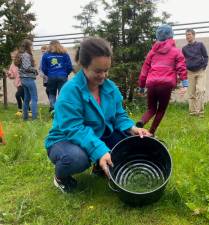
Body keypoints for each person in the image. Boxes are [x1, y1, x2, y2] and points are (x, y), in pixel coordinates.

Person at [45, 37, 151, 193]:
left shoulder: (110, 87)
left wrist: (132, 128)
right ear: (84, 66)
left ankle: (99, 168)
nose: (103, 75)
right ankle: (61, 177)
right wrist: (100, 150)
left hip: (98, 135)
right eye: (98, 71)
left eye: (106, 70)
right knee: (77, 159)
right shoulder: (70, 91)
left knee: (130, 143)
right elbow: (74, 129)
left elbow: (119, 115)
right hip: (65, 139)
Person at [136, 24, 188, 136]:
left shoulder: (152, 52)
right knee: (161, 109)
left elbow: (144, 70)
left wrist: (141, 87)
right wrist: (185, 83)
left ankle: (141, 122)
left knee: (151, 109)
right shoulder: (176, 51)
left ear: (157, 36)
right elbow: (181, 67)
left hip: (151, 84)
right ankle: (151, 132)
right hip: (165, 85)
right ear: (171, 36)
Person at [182, 28, 209, 117]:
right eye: (186, 35)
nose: (187, 36)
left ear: (194, 35)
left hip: (201, 71)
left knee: (200, 91)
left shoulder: (200, 45)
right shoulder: (184, 49)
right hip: (190, 72)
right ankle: (193, 112)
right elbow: (182, 60)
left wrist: (204, 66)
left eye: (189, 34)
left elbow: (205, 56)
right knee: (191, 93)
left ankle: (200, 112)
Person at [41, 40, 73, 113]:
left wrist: (48, 73)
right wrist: (65, 73)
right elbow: (69, 67)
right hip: (62, 76)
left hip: (51, 76)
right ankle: (62, 110)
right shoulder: (65, 54)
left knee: (52, 93)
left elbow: (43, 68)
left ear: (50, 46)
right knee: (62, 93)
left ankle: (54, 109)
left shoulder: (46, 55)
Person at [15, 39, 38, 120]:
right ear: (28, 46)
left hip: (23, 79)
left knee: (27, 98)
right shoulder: (26, 55)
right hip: (28, 79)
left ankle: (25, 118)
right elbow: (26, 67)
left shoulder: (21, 54)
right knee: (34, 98)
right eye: (31, 45)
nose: (32, 47)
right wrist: (35, 70)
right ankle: (35, 118)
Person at [5, 49, 26, 117]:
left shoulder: (22, 62)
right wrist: (8, 74)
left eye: (14, 56)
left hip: (23, 82)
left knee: (17, 95)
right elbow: (12, 76)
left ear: (18, 56)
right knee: (23, 97)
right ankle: (28, 110)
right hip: (17, 83)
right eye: (11, 57)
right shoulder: (12, 64)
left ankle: (20, 110)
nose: (12, 58)